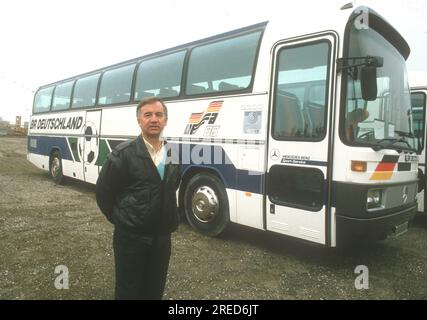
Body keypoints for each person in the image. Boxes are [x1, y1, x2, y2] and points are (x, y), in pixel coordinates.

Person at [95, 97, 181, 300]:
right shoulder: (123, 154)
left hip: (162, 239)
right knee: (129, 291)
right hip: (131, 239)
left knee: (154, 290)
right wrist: (122, 219)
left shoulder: (173, 154)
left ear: (165, 120)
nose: (154, 119)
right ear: (139, 120)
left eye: (159, 115)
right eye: (147, 114)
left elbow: (171, 187)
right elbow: (103, 192)